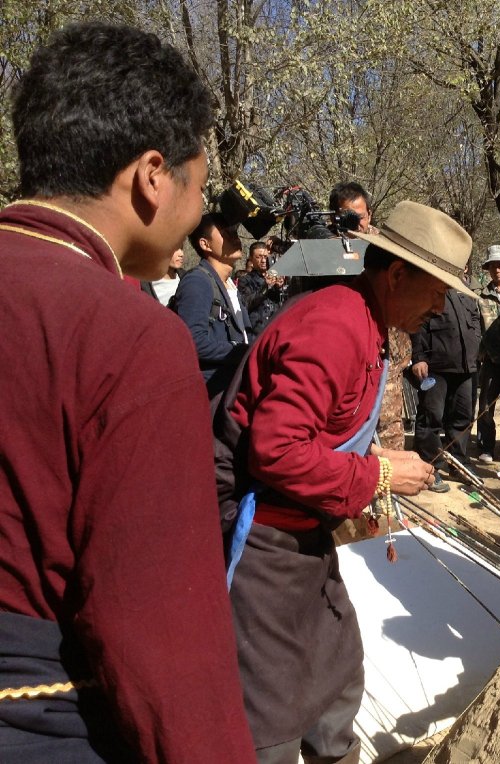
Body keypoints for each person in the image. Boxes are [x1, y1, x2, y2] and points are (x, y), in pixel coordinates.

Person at [0, 22, 254, 761]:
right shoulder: (128, 337)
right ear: (152, 176)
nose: (200, 211)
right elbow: (163, 642)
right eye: (200, 186)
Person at [221, 201, 464, 762]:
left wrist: (369, 455)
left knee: (336, 672)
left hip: (307, 533)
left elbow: (325, 427)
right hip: (263, 536)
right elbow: (276, 449)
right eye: (436, 290)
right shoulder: (335, 324)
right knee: (273, 704)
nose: (440, 306)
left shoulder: (369, 325)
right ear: (397, 273)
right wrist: (379, 472)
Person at [410, 281, 483, 491]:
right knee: (431, 417)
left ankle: (459, 464)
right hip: (435, 365)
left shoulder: (465, 290)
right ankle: (430, 468)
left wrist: (475, 345)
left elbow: (475, 319)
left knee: (462, 417)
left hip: (465, 366)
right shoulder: (429, 286)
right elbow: (417, 323)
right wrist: (418, 357)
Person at [173, 212, 251, 397]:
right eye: (226, 233)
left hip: (233, 388)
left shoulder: (230, 285)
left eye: (234, 231)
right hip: (212, 393)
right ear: (205, 244)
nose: (234, 237)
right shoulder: (197, 282)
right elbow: (193, 342)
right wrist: (241, 351)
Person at [476, 245, 500, 462]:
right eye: (493, 266)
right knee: (485, 407)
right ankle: (486, 448)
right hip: (491, 361)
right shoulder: (480, 296)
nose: (497, 270)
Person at [237, 241, 287, 335]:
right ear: (251, 259)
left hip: (276, 329)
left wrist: (279, 287)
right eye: (258, 257)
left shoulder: (276, 275)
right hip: (256, 332)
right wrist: (265, 286)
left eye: (265, 257)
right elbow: (246, 303)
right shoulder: (245, 280)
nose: (263, 261)